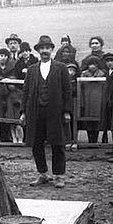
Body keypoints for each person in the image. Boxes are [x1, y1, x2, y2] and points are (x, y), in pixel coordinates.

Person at [20, 35, 72, 188]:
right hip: (35, 112)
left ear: (51, 49)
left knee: (58, 144)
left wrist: (67, 111)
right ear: (37, 51)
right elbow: (26, 92)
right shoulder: (32, 70)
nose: (44, 51)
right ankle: (42, 174)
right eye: (42, 48)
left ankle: (59, 176)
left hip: (55, 112)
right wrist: (23, 112)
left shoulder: (61, 68)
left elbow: (67, 91)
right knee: (36, 143)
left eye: (47, 48)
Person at [80, 56, 106, 143]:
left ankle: (95, 140)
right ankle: (90, 140)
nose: (92, 66)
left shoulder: (102, 74)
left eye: (94, 64)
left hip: (98, 101)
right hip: (87, 100)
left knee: (97, 121)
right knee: (88, 120)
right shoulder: (83, 74)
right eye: (90, 64)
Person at [101, 52, 113, 159]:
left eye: (112, 60)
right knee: (112, 126)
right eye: (107, 61)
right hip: (110, 103)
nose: (109, 63)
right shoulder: (109, 73)